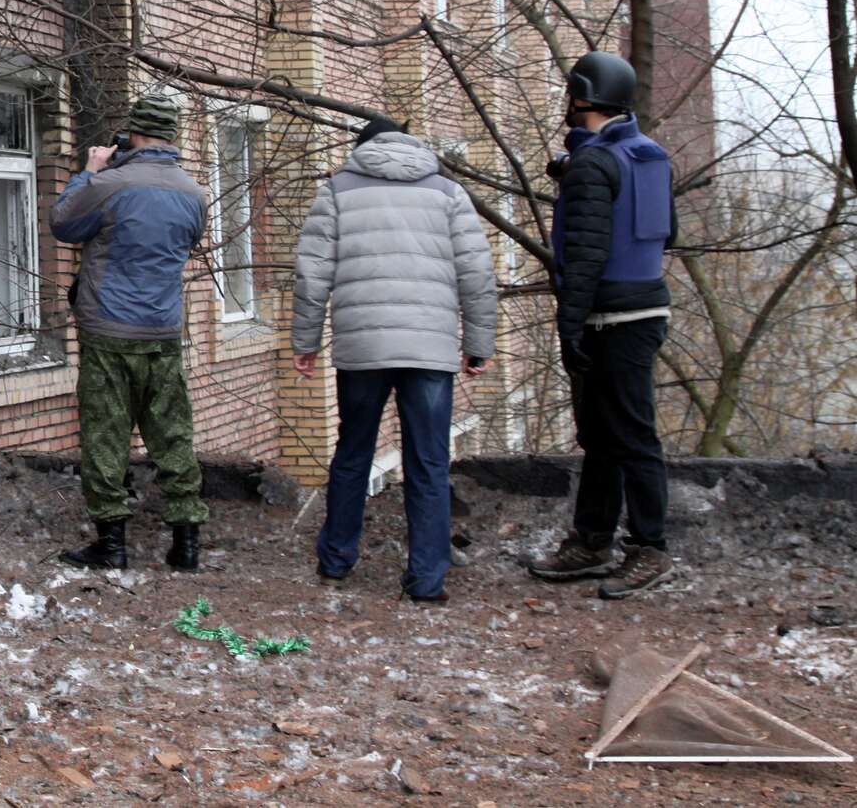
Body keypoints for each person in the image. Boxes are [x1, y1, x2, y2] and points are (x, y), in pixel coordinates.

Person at [290, 117, 497, 602]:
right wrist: (478, 345)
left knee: (353, 452)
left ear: (363, 149)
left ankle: (336, 560)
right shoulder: (448, 193)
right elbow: (477, 271)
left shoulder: (337, 189)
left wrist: (305, 341)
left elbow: (311, 273)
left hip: (363, 349)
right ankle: (427, 579)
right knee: (428, 460)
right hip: (429, 349)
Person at [527, 52, 679, 598]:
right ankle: (592, 541)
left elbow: (585, 257)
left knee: (626, 435)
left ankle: (648, 548)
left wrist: (569, 326)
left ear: (582, 97)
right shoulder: (648, 155)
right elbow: (668, 234)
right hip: (645, 308)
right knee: (608, 435)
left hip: (611, 316)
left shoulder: (595, 165)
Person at [50, 92, 209, 572]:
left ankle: (112, 545)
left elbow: (63, 223)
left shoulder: (111, 184)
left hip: (109, 328)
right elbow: (189, 240)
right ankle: (186, 545)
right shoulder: (194, 194)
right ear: (172, 136)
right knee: (172, 431)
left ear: (132, 134)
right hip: (162, 327)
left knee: (106, 432)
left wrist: (90, 172)